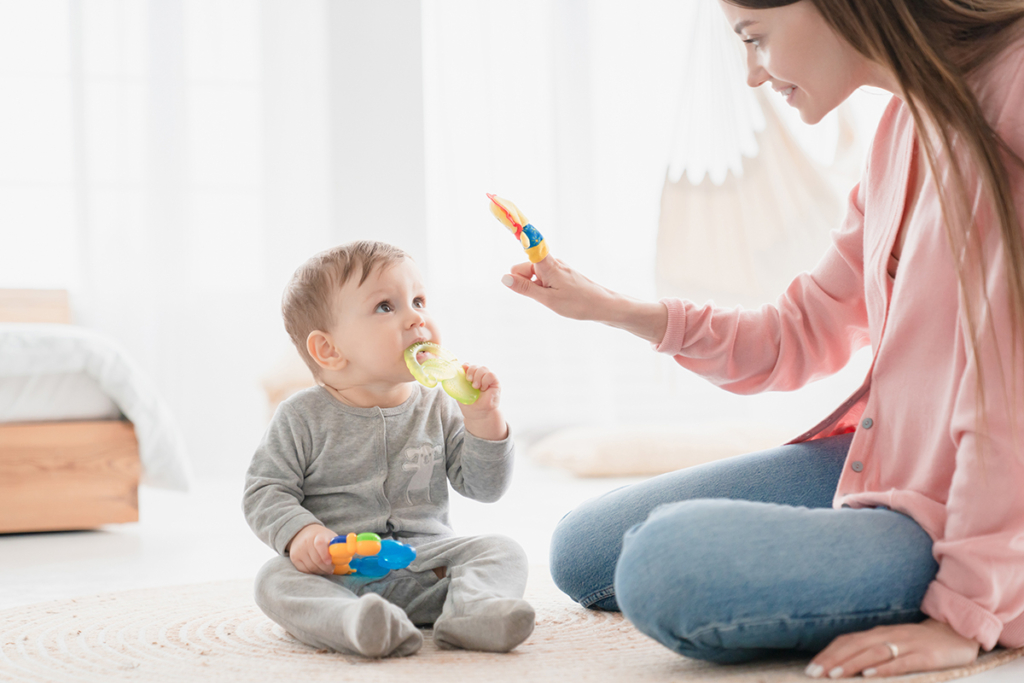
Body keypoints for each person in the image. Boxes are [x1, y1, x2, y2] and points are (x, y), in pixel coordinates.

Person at [500, 0, 1024, 678]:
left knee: (667, 566)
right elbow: (799, 332)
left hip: (998, 493)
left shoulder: (1008, 89)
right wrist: (613, 308)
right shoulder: (904, 129)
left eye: (756, 39)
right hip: (910, 464)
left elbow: (1009, 390)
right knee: (586, 548)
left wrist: (968, 611)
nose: (752, 72)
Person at [244, 240, 534, 658]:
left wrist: (483, 419)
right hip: (339, 569)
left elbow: (485, 488)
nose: (416, 317)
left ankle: (473, 613)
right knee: (273, 580)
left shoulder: (438, 404)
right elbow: (264, 491)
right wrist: (302, 535)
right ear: (329, 349)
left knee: (502, 549)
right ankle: (357, 624)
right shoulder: (301, 416)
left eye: (418, 300)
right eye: (386, 306)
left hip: (428, 566)